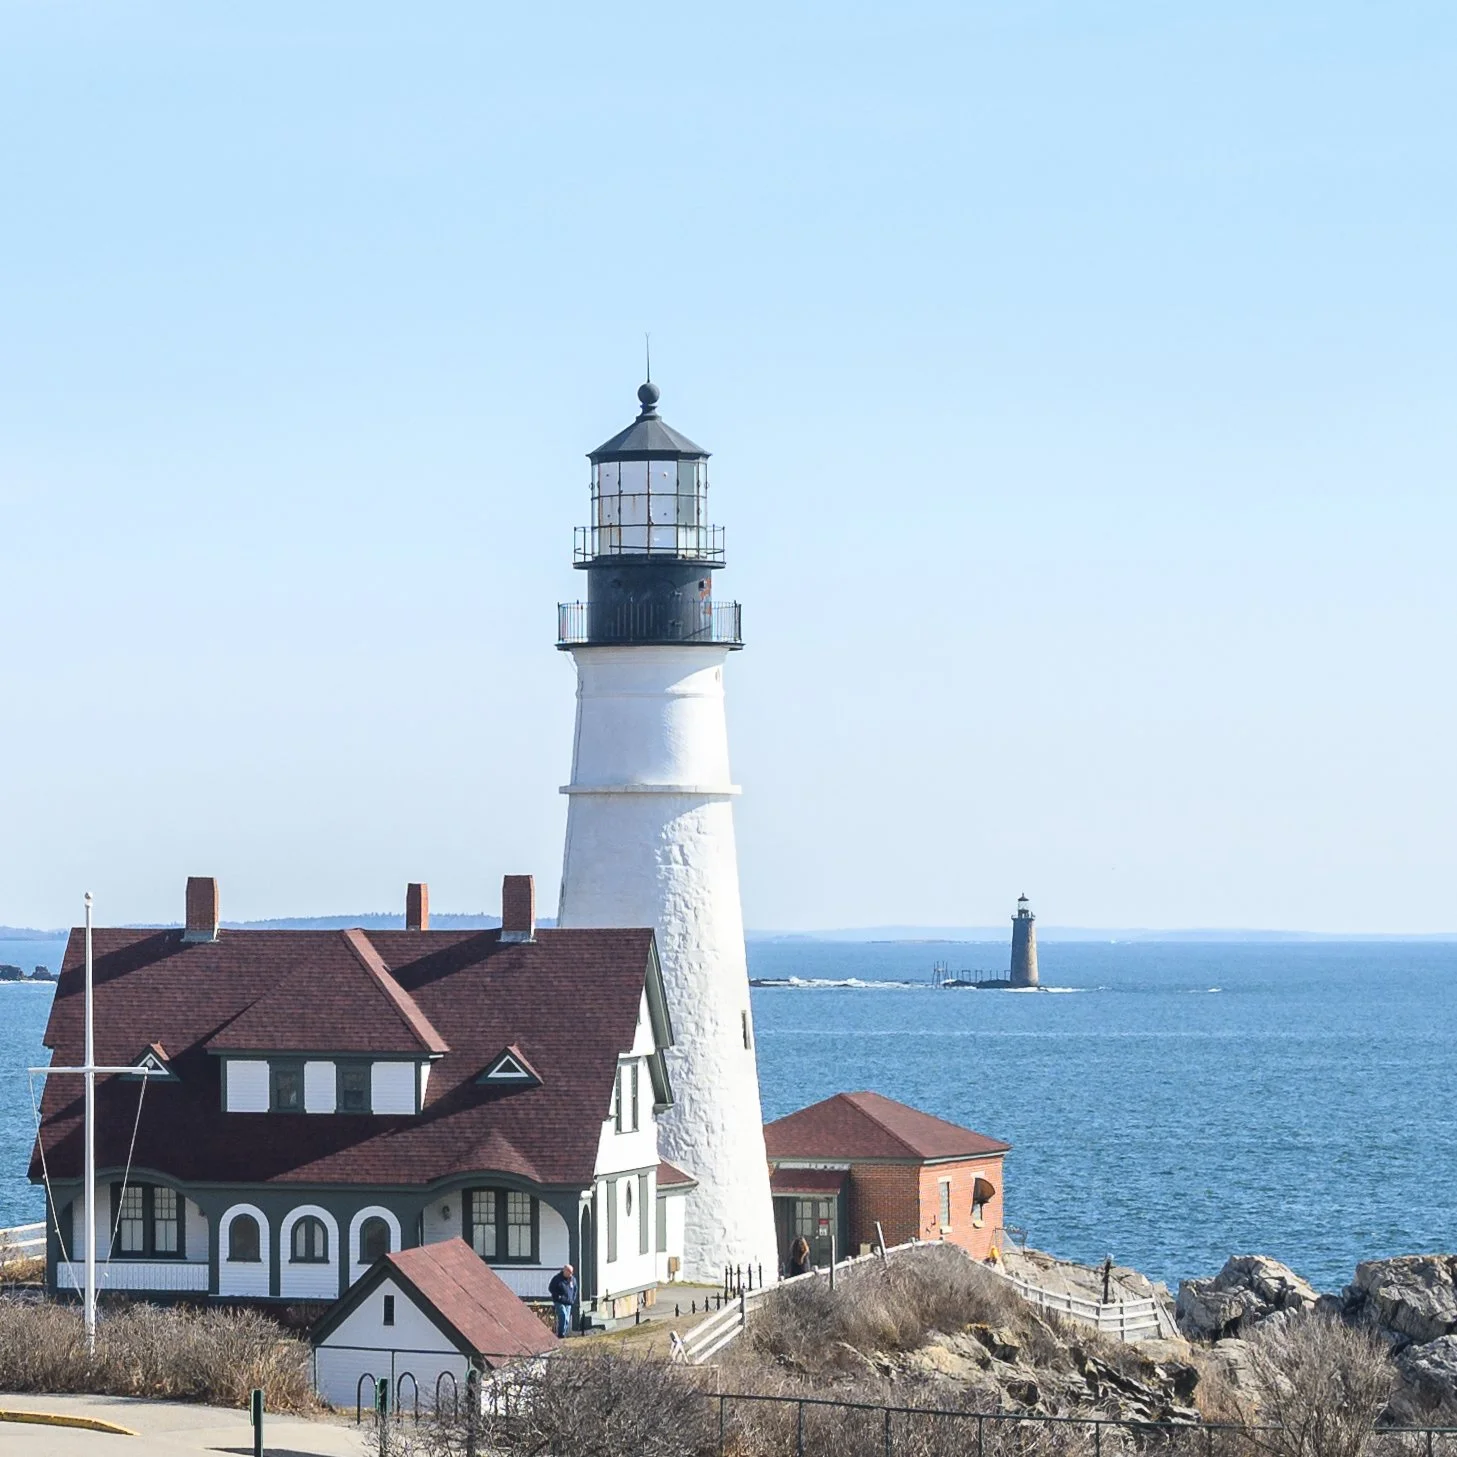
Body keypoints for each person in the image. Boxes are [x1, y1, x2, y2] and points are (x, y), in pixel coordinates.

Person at [548, 1264, 577, 1338]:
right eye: (569, 1272)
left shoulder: (573, 1280)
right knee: (563, 1316)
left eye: (571, 1272)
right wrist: (558, 1296)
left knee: (567, 1320)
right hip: (559, 1301)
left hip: (568, 1302)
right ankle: (560, 1334)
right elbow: (551, 1288)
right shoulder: (557, 1279)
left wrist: (573, 1299)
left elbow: (575, 1290)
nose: (571, 1274)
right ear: (565, 1271)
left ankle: (563, 1333)